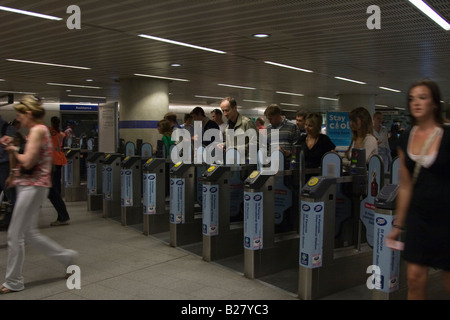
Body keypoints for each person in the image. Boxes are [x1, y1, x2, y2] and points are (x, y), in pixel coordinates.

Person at [0, 95, 77, 294]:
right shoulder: (35, 132)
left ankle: (14, 281)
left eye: (20, 114)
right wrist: (14, 154)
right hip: (31, 185)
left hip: (34, 187)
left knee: (15, 234)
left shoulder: (37, 131)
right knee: (30, 234)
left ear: (28, 113)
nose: (18, 119)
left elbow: (27, 162)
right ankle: (67, 257)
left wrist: (12, 149)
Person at [386, 79, 450, 300]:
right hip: (418, 217)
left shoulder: (447, 136)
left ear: (434, 103)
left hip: (446, 217)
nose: (416, 103)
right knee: (414, 277)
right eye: (412, 98)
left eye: (423, 97)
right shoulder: (405, 137)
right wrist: (398, 224)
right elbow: (405, 185)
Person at [219, 97, 257, 162]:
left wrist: (236, 149)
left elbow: (255, 144)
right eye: (223, 111)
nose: (225, 114)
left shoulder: (247, 123)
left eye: (227, 110)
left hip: (245, 164)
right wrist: (224, 145)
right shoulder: (228, 126)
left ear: (235, 108)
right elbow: (231, 142)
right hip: (232, 162)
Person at [48, 116, 71, 226]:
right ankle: (62, 215)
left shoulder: (48, 131)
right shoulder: (62, 134)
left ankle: (62, 216)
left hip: (52, 161)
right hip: (60, 159)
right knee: (55, 185)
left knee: (53, 189)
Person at [0, 116, 17, 231]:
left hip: (4, 165)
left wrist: (12, 173)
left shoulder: (7, 128)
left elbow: (11, 153)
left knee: (11, 195)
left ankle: (13, 220)